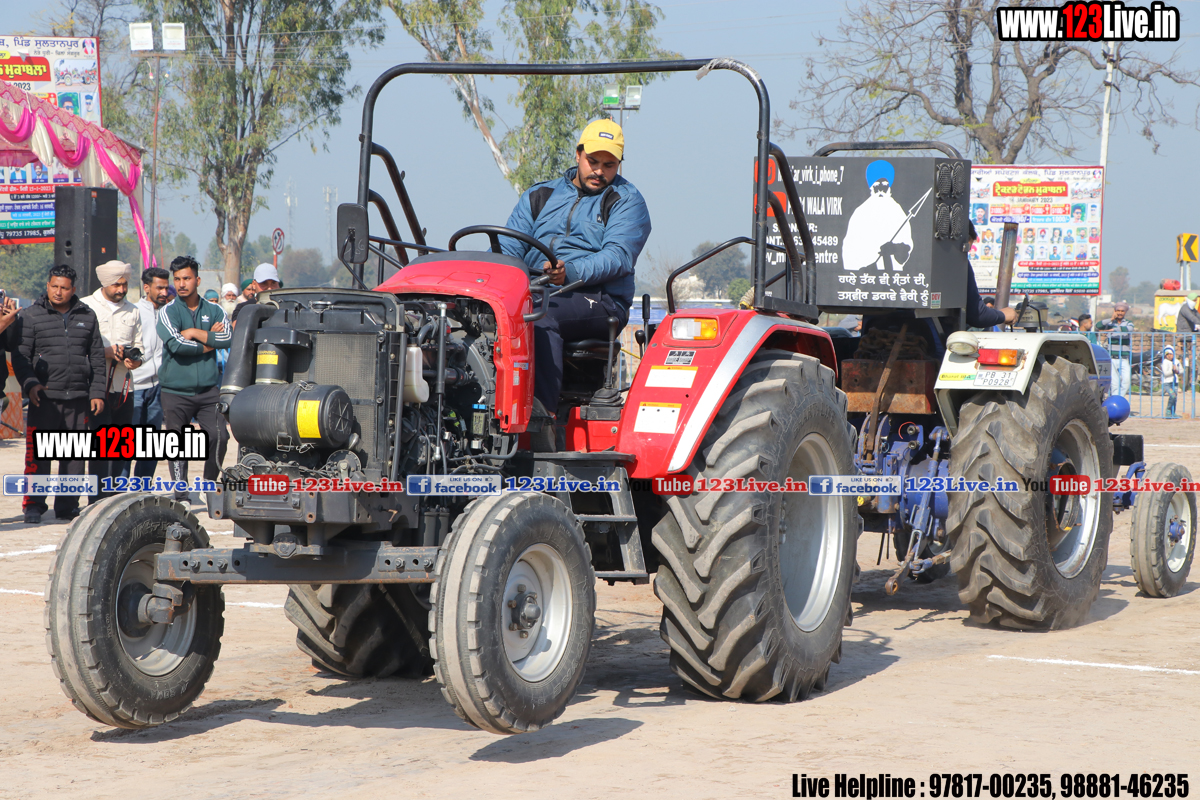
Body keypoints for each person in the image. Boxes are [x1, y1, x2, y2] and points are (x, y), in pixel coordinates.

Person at [499, 118, 651, 420]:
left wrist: (568, 272)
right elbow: (507, 250)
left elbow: (618, 257)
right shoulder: (540, 195)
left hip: (600, 298)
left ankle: (541, 422)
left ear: (619, 164)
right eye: (593, 161)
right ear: (578, 154)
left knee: (539, 316)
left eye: (609, 165)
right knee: (483, 316)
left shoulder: (626, 201)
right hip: (538, 291)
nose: (599, 171)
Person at [14, 265, 106, 524]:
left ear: (73, 289)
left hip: (78, 397)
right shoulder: (31, 316)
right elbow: (21, 357)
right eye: (54, 286)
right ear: (47, 286)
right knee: (37, 456)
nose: (58, 292)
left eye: (64, 288)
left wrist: (97, 392)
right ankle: (34, 505)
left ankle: (67, 507)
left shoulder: (87, 316)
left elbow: (97, 358)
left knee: (74, 458)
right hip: (43, 398)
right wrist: (31, 384)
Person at [157, 256, 232, 502]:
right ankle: (181, 493)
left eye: (186, 278)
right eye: (177, 279)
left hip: (209, 391)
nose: (181, 284)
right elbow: (176, 345)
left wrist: (193, 332)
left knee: (220, 436)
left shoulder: (215, 310)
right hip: (175, 391)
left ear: (197, 280)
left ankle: (208, 484)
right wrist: (209, 340)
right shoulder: (167, 312)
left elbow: (228, 338)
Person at [82, 260, 144, 493]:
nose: (121, 289)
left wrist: (136, 360)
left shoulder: (133, 310)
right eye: (116, 285)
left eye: (124, 284)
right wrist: (105, 352)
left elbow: (139, 347)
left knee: (122, 447)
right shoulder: (86, 306)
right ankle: (97, 499)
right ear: (105, 283)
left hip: (124, 388)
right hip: (96, 388)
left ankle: (116, 496)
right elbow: (77, 348)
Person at [125, 266, 171, 479]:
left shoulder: (169, 313)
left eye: (166, 287)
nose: (164, 292)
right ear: (146, 288)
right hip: (135, 386)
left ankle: (143, 486)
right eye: (159, 288)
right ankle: (120, 488)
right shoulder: (133, 312)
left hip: (158, 387)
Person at [1097, 302, 1134, 399]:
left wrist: (1112, 330)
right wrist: (1111, 319)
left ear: (1125, 312)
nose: (1120, 313)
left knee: (1126, 381)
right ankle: (1115, 400)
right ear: (1114, 311)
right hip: (1112, 358)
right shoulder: (1110, 323)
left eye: (1122, 311)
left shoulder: (1129, 323)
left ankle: (1119, 399)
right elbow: (1098, 325)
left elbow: (1128, 330)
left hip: (1123, 357)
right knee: (1115, 383)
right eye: (1118, 310)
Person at [1162, 346, 1179, 418]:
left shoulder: (1176, 361)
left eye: (1171, 354)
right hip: (1167, 383)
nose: (1169, 356)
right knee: (1172, 395)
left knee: (1175, 398)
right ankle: (1168, 409)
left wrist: (1177, 370)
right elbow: (1165, 373)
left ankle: (1173, 412)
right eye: (1167, 354)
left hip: (1175, 382)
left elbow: (1181, 370)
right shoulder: (1165, 362)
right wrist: (1172, 370)